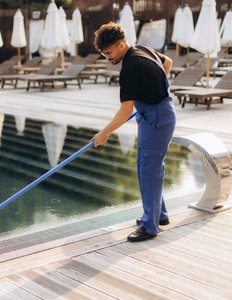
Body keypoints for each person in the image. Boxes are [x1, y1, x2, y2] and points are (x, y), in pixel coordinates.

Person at [90, 22, 176, 242]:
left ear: (120, 45)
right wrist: (154, 92)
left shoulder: (130, 68)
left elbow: (125, 110)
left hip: (157, 117)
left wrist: (104, 133)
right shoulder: (142, 48)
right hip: (155, 112)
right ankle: (160, 215)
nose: (107, 58)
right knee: (146, 165)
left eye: (108, 53)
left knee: (149, 169)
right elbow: (167, 63)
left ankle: (150, 227)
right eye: (103, 54)